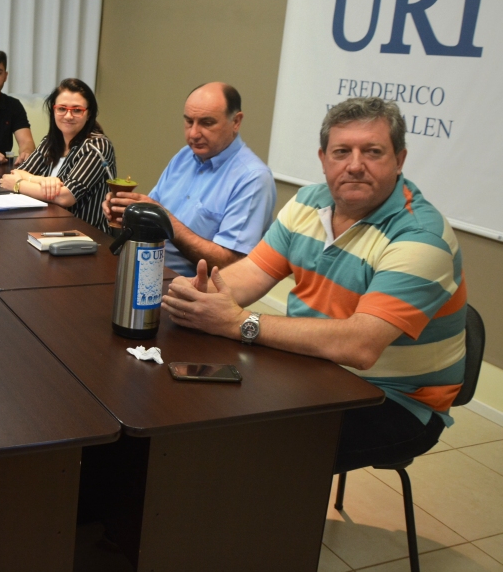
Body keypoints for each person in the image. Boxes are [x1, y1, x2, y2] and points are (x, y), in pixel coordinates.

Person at [162, 97, 466, 473]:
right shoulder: (309, 201)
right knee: (187, 409)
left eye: (372, 151)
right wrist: (194, 294)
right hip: (311, 367)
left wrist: (238, 322)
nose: (355, 165)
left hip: (394, 402)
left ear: (399, 160)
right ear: (323, 158)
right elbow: (247, 275)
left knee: (240, 448)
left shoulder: (421, 237)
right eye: (342, 152)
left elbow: (359, 346)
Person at [103, 82, 276, 276]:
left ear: (236, 121)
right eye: (189, 121)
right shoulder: (184, 156)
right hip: (146, 270)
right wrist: (126, 211)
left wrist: (164, 218)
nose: (193, 134)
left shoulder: (253, 179)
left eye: (207, 123)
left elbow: (231, 266)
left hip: (192, 292)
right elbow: (152, 218)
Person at [0, 78, 115, 232]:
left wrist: (18, 185)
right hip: (47, 227)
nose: (68, 115)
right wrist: (43, 180)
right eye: (62, 108)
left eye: (77, 110)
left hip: (85, 237)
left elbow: (65, 197)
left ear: (89, 114)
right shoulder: (50, 142)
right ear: (53, 110)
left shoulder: (97, 146)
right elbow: (17, 172)